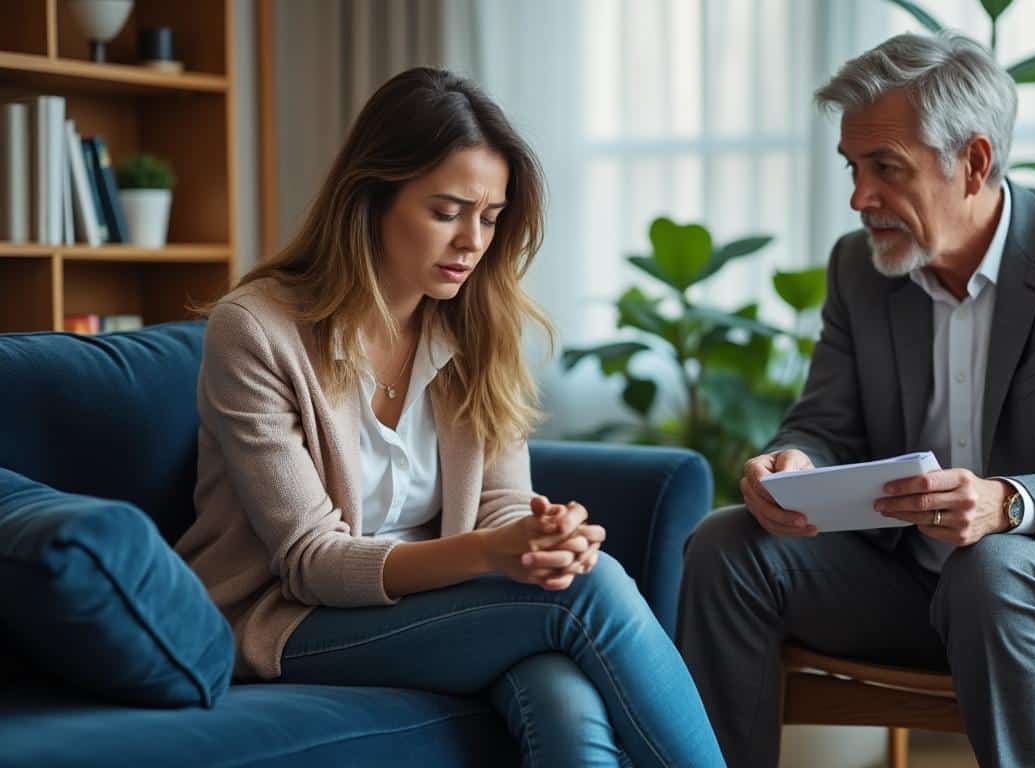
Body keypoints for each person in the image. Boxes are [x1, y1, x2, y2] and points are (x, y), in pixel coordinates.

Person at [675, 33, 1035, 768]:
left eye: (885, 167)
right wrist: (793, 459)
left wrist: (1006, 504)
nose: (859, 197)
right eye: (853, 167)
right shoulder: (859, 269)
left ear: (975, 162)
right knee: (726, 546)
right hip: (910, 582)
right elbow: (825, 423)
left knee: (991, 571)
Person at [175, 67, 724, 768]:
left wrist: (538, 538)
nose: (472, 241)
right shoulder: (256, 330)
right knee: (586, 594)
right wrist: (493, 554)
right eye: (447, 212)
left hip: (433, 601)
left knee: (558, 688)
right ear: (371, 198)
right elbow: (312, 563)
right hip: (287, 617)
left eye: (490, 218)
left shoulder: (477, 327)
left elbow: (499, 506)